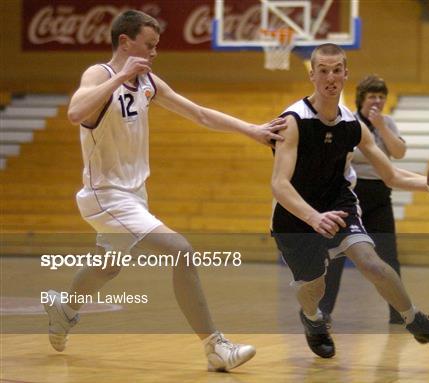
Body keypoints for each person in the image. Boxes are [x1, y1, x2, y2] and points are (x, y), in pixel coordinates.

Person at [43, 10, 286, 372]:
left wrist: (251, 130)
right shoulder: (101, 74)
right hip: (105, 195)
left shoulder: (148, 83)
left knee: (108, 268)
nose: (155, 53)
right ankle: (215, 347)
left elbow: (199, 114)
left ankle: (64, 308)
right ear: (125, 41)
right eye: (149, 45)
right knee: (181, 251)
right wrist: (122, 75)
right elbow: (75, 112)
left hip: (134, 194)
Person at [271, 43, 429, 359]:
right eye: (323, 71)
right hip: (296, 213)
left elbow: (391, 175)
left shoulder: (352, 125)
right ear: (312, 75)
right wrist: (313, 218)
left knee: (371, 262)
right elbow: (280, 185)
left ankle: (413, 318)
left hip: (338, 203)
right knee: (313, 289)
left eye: (336, 70)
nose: (330, 77)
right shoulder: (293, 121)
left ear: (345, 74)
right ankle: (312, 319)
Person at [319, 75, 406, 324]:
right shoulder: (349, 122)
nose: (377, 101)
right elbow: (350, 156)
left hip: (380, 196)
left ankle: (399, 312)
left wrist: (381, 128)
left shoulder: (387, 123)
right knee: (336, 255)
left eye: (381, 97)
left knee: (389, 256)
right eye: (372, 97)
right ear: (361, 100)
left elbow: (398, 152)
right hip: (351, 196)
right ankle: (324, 310)